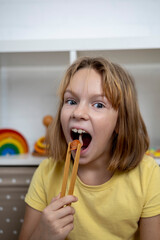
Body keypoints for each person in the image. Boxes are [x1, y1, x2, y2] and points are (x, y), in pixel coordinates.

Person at [19, 57, 160, 240]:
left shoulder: (148, 176)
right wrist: (43, 234)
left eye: (98, 104)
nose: (78, 113)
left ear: (120, 122)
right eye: (71, 101)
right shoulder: (46, 173)